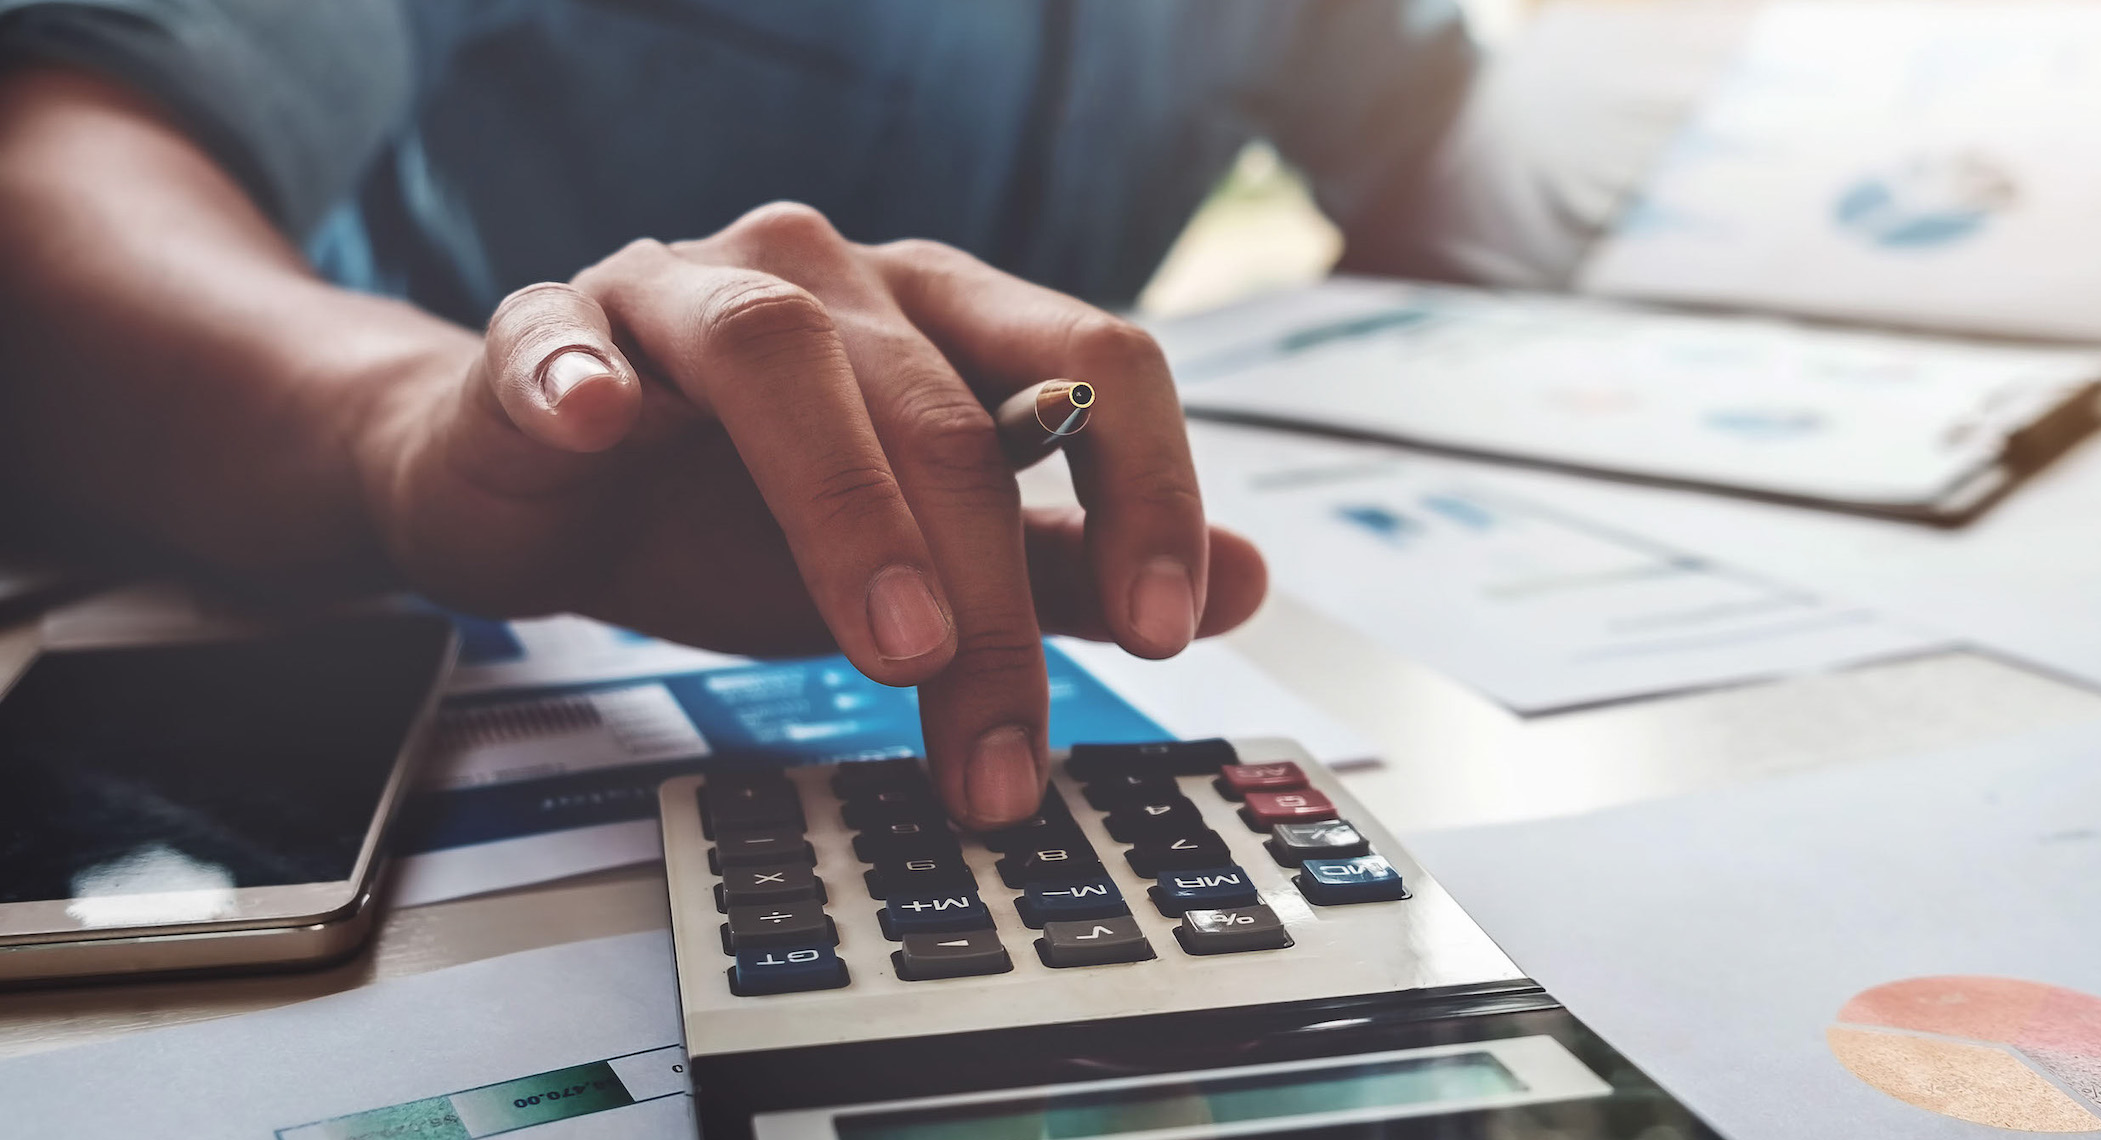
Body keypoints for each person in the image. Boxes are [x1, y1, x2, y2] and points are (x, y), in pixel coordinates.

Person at [0, 1, 1486, 828]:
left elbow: (1437, 145)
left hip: (959, 626)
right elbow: (54, 158)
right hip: (357, 618)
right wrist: (401, 423)